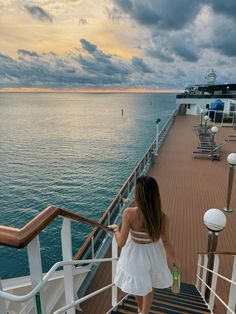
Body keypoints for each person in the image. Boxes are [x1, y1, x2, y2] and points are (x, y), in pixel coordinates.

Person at [108, 175, 178, 314]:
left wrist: (116, 230)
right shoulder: (162, 217)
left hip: (134, 254)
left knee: (138, 283)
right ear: (155, 194)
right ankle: (144, 312)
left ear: (138, 195)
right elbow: (166, 242)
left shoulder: (129, 213)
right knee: (149, 285)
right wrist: (175, 260)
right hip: (153, 253)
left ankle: (140, 309)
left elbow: (121, 242)